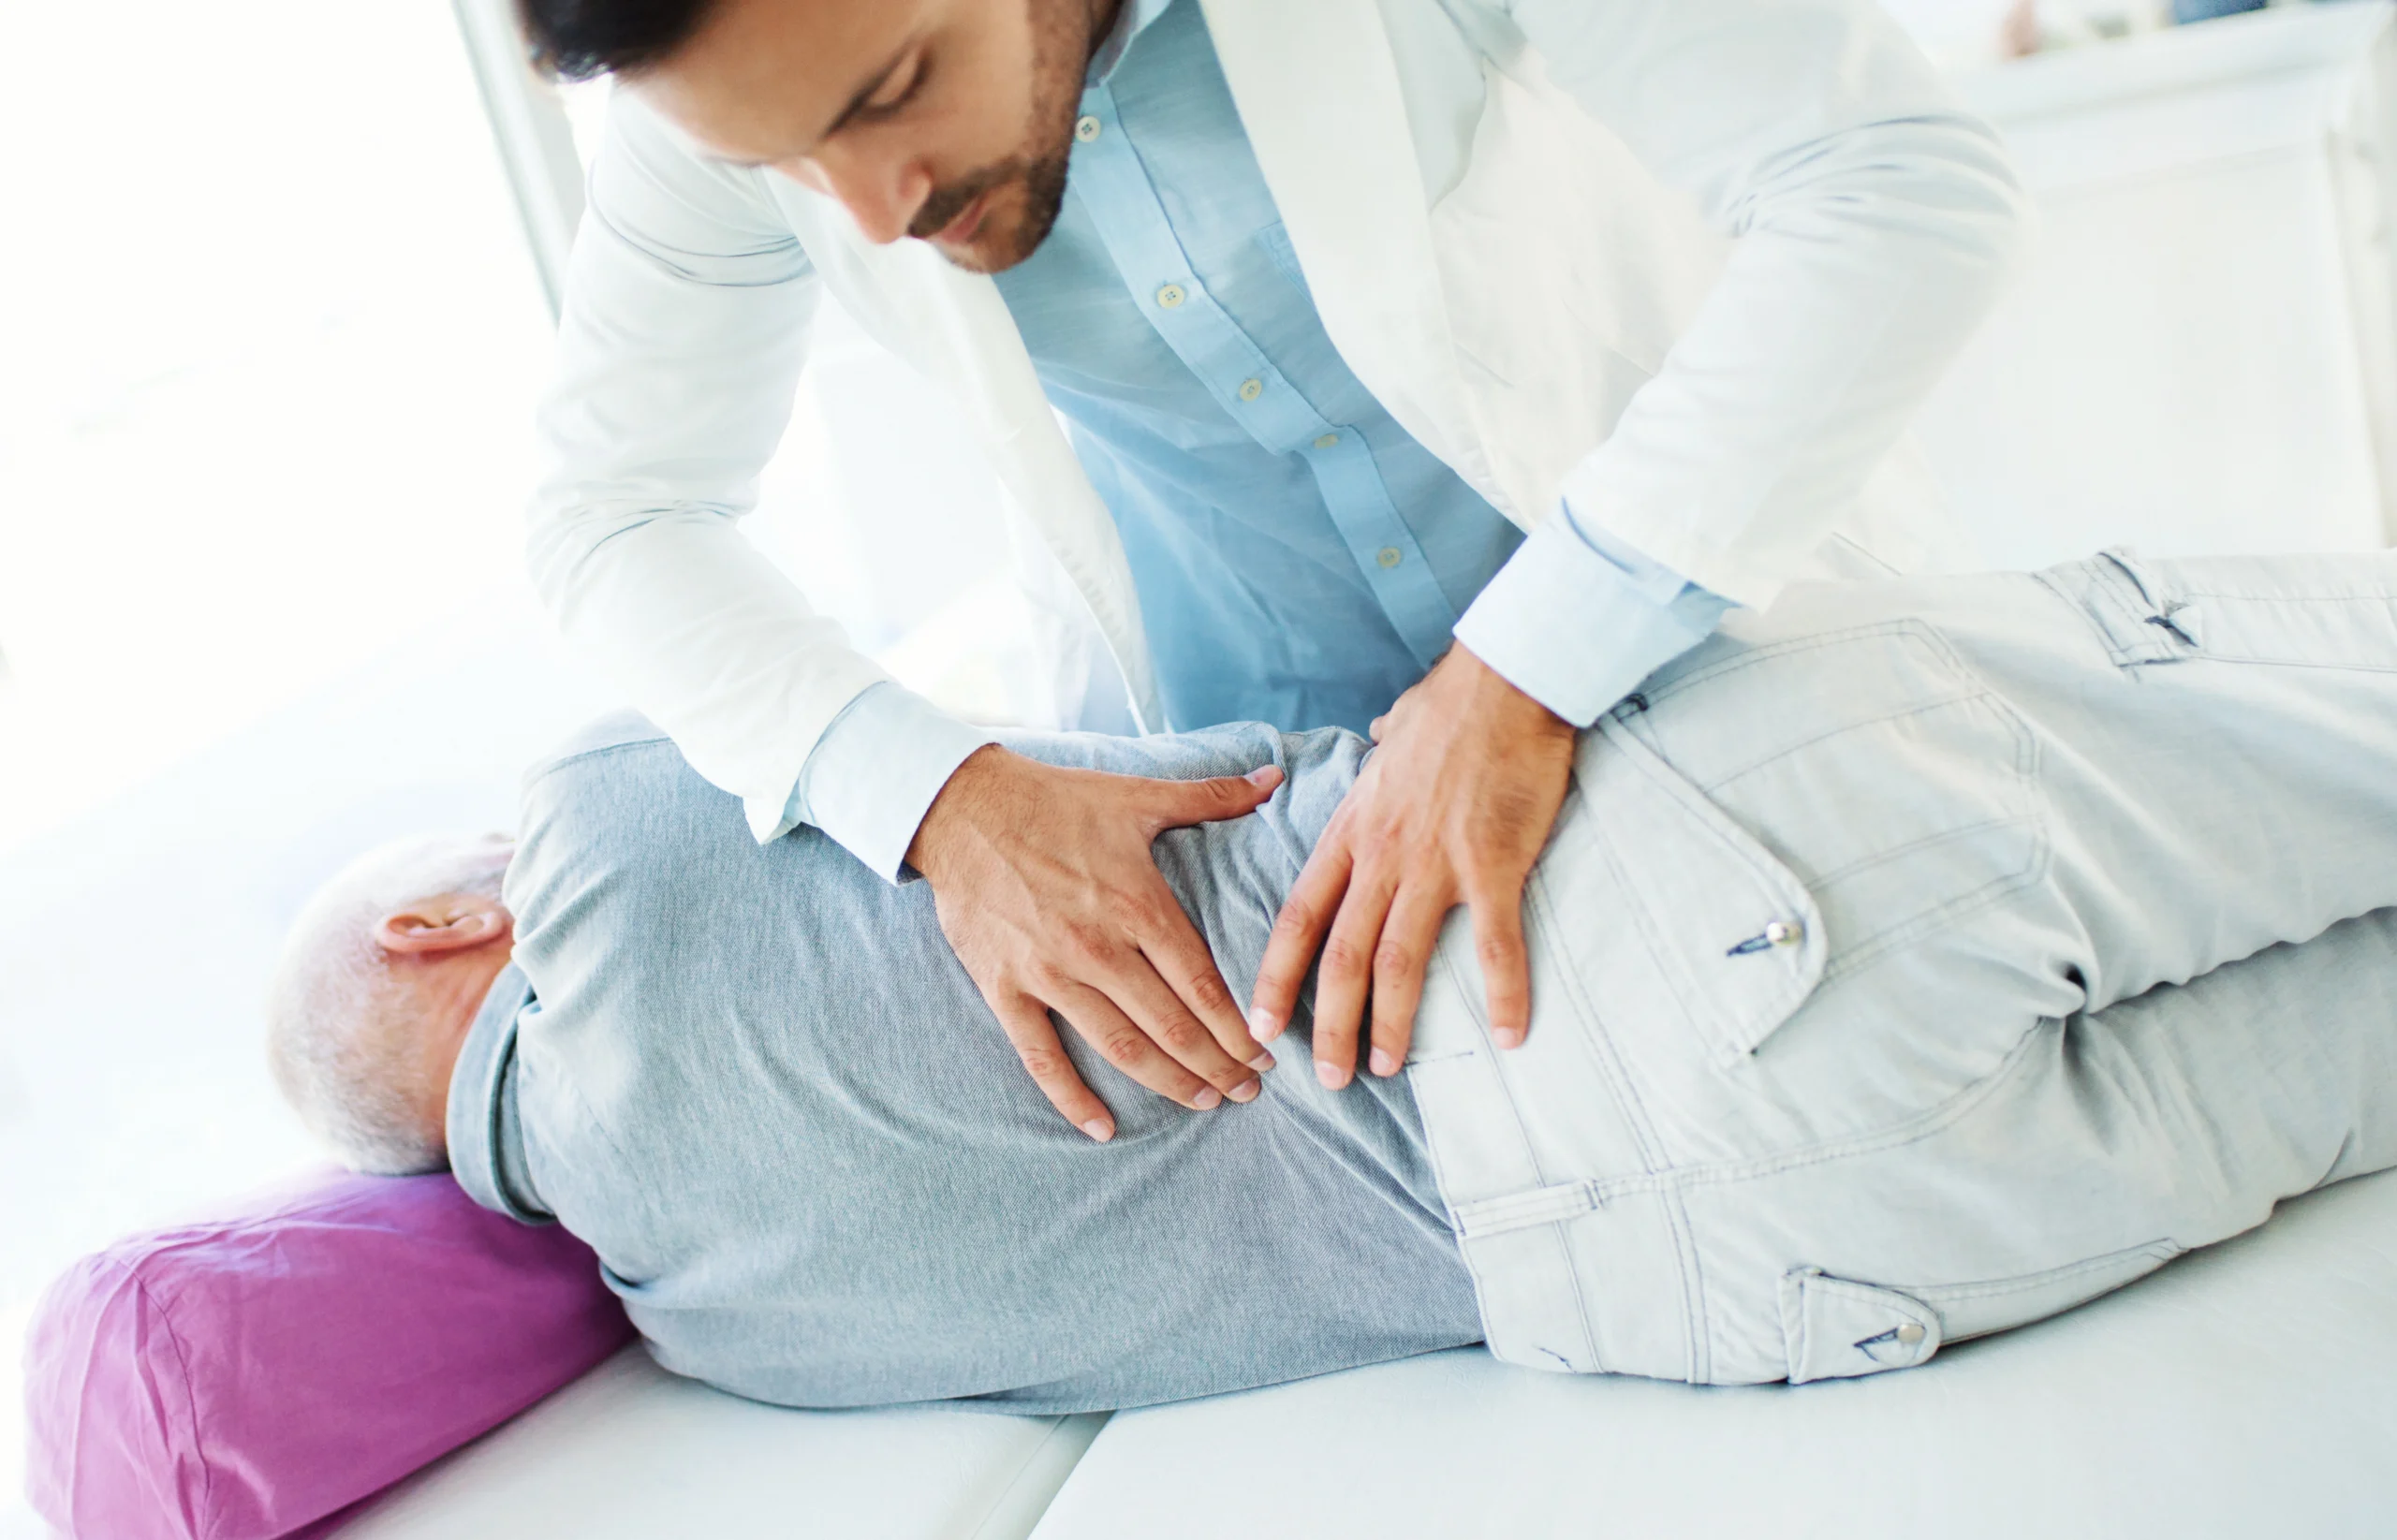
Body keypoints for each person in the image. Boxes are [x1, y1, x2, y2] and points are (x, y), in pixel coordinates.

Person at [268, 551, 2397, 1402]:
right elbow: (1147, 766)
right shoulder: (600, 826)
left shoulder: (730, 1344)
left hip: (1731, 1281)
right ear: (443, 926)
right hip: (1598, 921)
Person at [515, 0, 2035, 1137]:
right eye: (785, 166)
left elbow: (1888, 183)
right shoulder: (731, 83)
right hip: (1281, 869)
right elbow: (611, 517)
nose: (874, 213)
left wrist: (1526, 671)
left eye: (899, 84)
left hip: (1722, 672)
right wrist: (942, 800)